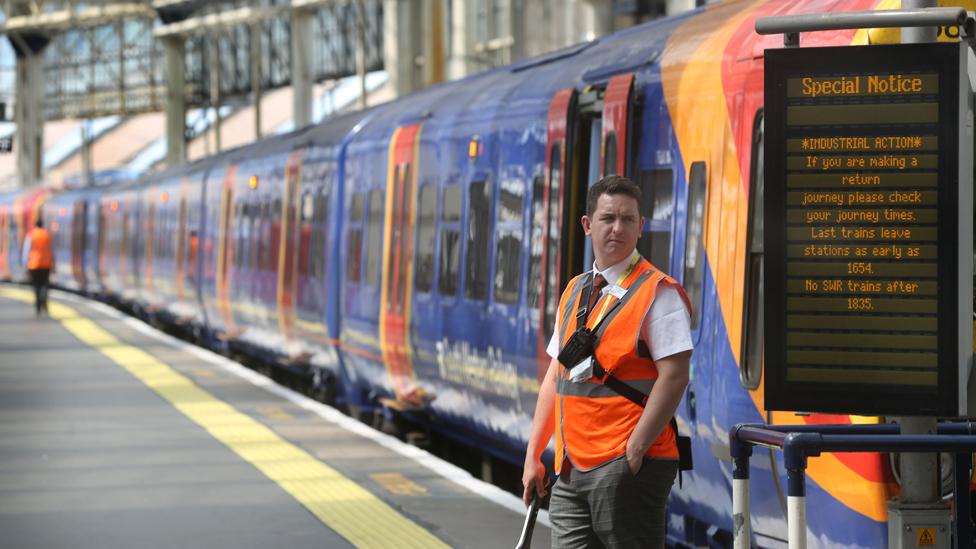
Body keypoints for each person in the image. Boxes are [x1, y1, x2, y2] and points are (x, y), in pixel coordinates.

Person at [522, 175, 693, 548]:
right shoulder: (576, 291)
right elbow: (557, 375)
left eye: (628, 220)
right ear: (587, 225)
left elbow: (676, 375)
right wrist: (535, 453)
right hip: (571, 468)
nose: (618, 228)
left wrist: (633, 452)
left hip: (626, 466)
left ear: (640, 227)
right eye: (608, 218)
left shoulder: (658, 293)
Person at [22, 217, 54, 316]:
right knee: (44, 284)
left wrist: (25, 265)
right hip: (46, 264)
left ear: (35, 225)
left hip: (34, 264)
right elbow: (51, 249)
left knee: (36, 285)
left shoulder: (31, 235)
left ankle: (38, 306)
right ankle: (43, 299)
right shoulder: (46, 235)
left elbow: (26, 251)